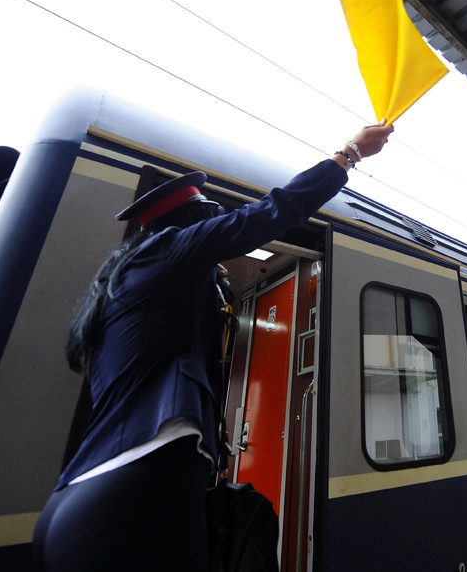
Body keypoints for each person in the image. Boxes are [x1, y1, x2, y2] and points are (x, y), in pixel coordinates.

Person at [32, 122, 393, 572]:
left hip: (78, 500)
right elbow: (269, 214)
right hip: (137, 489)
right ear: (191, 227)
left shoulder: (124, 285)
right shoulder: (169, 250)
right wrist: (349, 155)